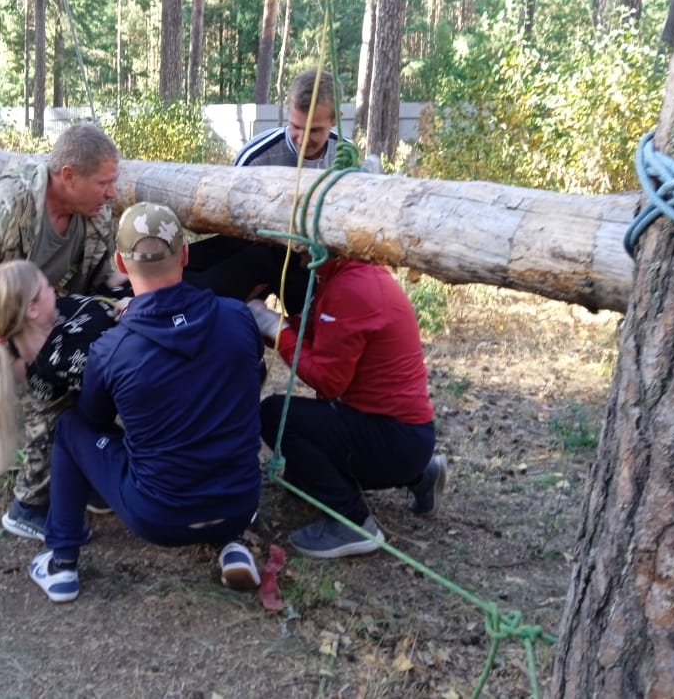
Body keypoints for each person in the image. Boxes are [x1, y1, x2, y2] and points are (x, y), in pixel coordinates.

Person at [27, 202, 264, 603]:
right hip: (242, 502)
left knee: (70, 428)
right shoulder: (237, 316)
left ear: (120, 261)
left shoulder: (113, 348)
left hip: (158, 516)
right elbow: (252, 376)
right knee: (221, 410)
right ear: (185, 255)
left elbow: (94, 419)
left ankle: (61, 561)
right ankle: (230, 542)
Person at [0, 122, 124, 536]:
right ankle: (30, 507)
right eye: (104, 182)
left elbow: (96, 285)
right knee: (53, 386)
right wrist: (16, 355)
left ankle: (82, 468)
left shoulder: (96, 218)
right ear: (68, 175)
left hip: (39, 316)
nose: (112, 193)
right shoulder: (7, 207)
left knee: (102, 360)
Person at [247, 259, 447, 559]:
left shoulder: (352, 288)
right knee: (301, 476)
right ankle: (420, 475)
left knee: (277, 414)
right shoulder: (350, 274)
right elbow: (323, 334)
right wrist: (273, 324)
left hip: (391, 437)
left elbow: (328, 381)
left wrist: (277, 330)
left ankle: (351, 521)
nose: (296, 248)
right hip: (403, 435)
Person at [184, 70, 350, 313]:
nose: (303, 138)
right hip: (257, 255)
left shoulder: (345, 156)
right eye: (295, 126)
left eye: (314, 130)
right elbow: (229, 226)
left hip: (316, 263)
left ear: (335, 120)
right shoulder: (257, 156)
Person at [0, 260, 117, 478]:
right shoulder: (63, 360)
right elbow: (124, 356)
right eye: (46, 286)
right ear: (32, 309)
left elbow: (87, 306)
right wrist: (133, 308)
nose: (52, 289)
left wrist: (111, 286)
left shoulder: (51, 323)